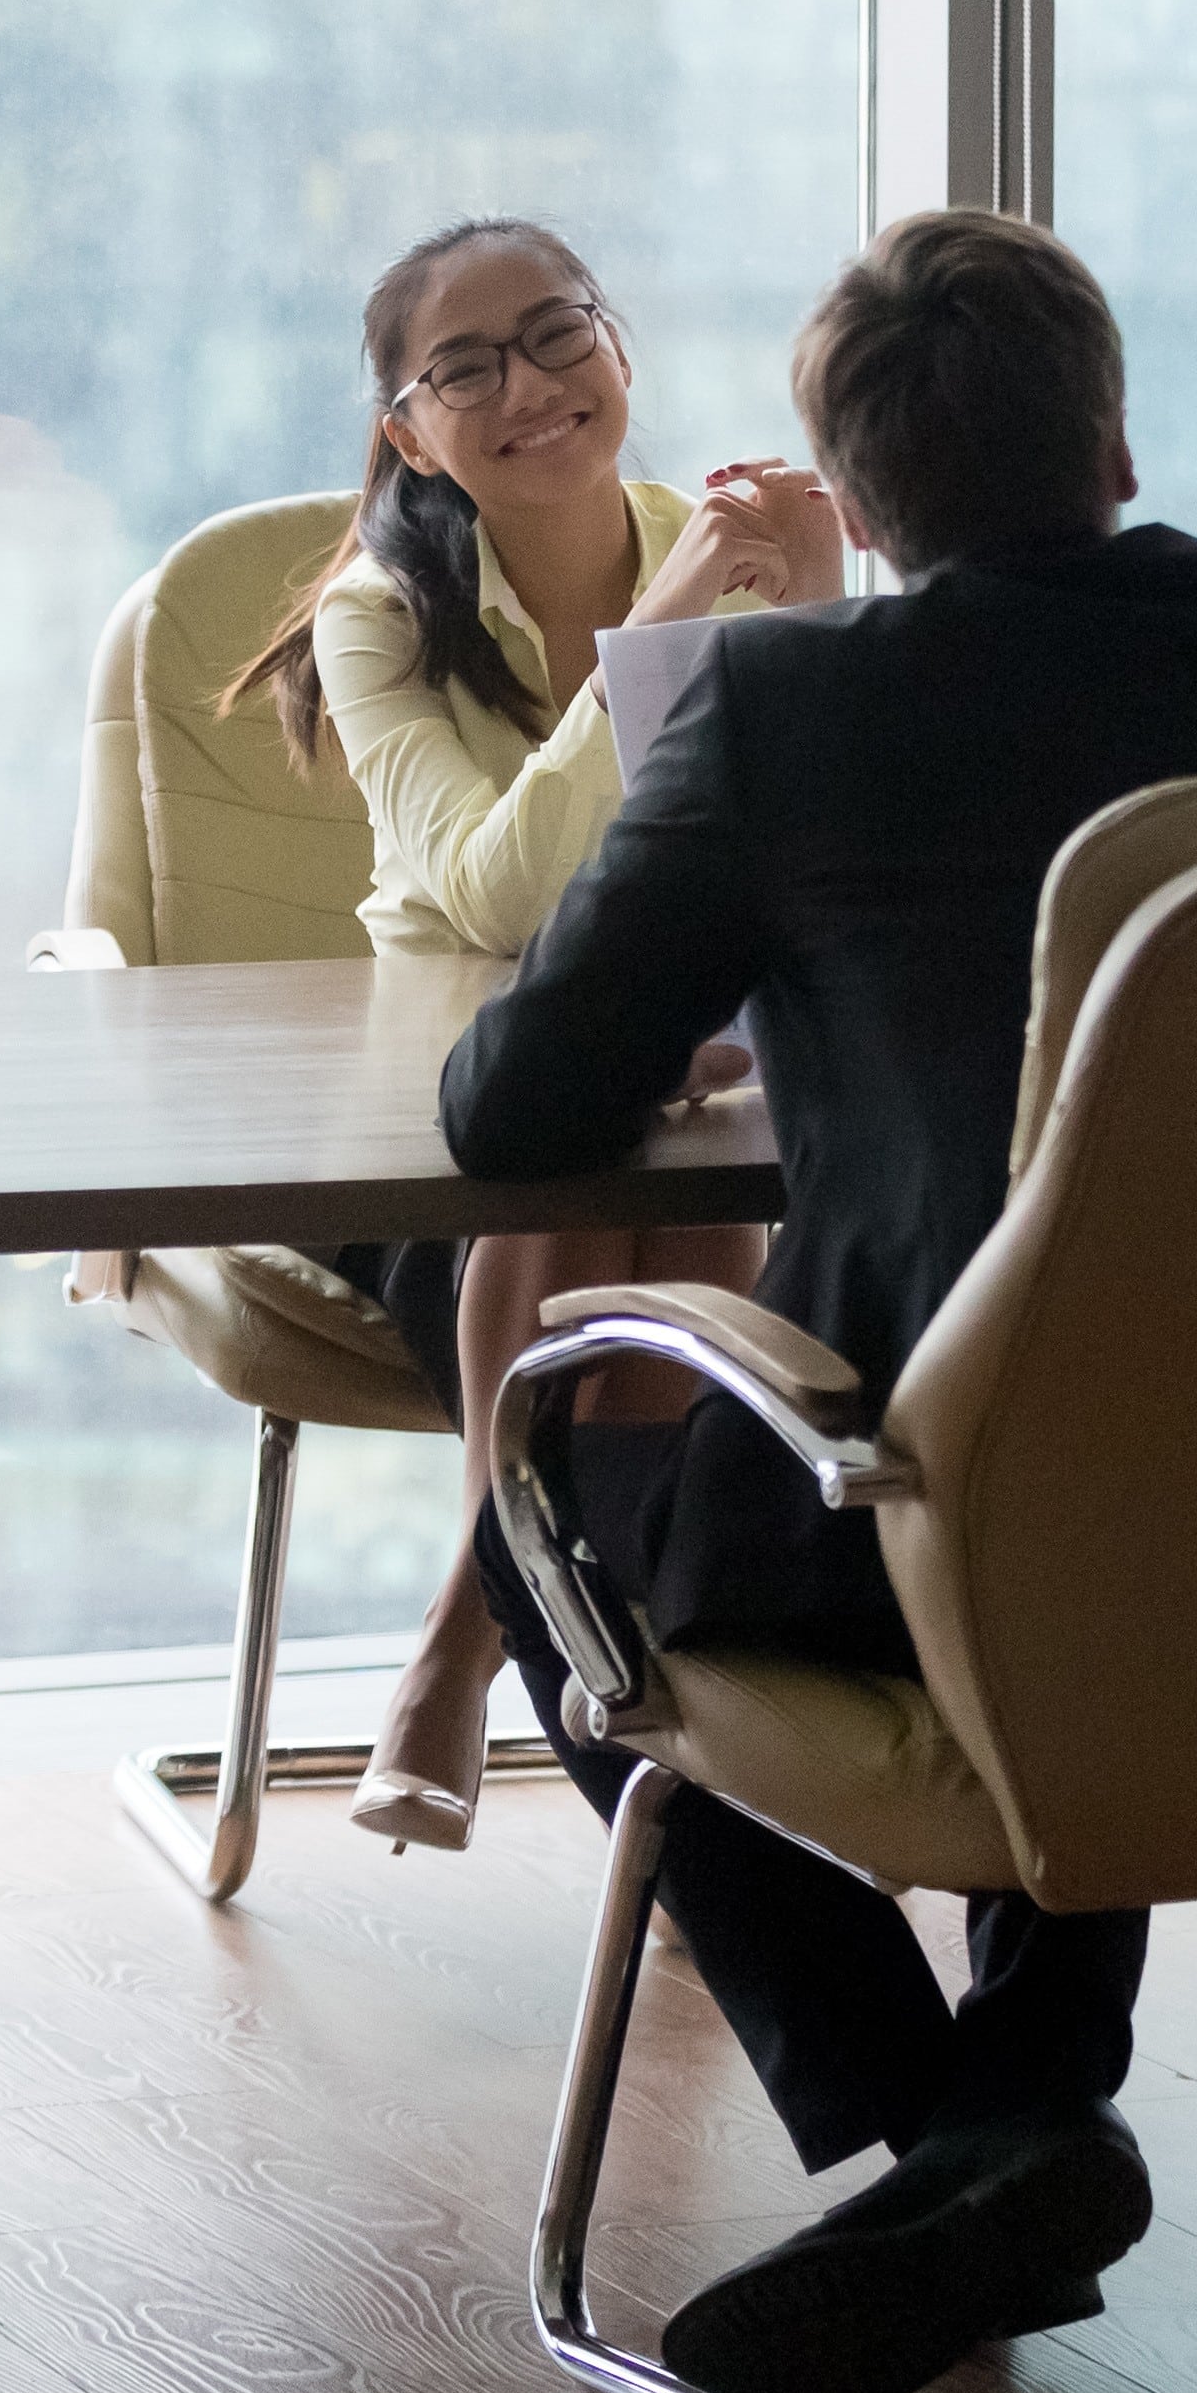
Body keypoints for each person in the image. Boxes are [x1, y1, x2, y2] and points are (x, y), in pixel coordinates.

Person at [438, 208, 1197, 2393]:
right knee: (1105, 1432)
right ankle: (1024, 2096)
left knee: (545, 1522)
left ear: (860, 508)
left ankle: (973, 2126)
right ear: (1110, 435)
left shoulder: (794, 705)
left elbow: (514, 1106)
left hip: (927, 1517)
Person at [224, 216, 832, 1851]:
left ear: (618, 349)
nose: (529, 386)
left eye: (558, 333)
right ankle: (675, 1779)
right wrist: (670, 628)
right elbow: (499, 899)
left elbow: (809, 853)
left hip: (684, 1094)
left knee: (655, 1206)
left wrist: (820, 608)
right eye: (464, 367)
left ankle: (485, 1637)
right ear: (406, 431)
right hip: (421, 1122)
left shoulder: (741, 544)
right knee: (606, 1208)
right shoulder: (376, 617)